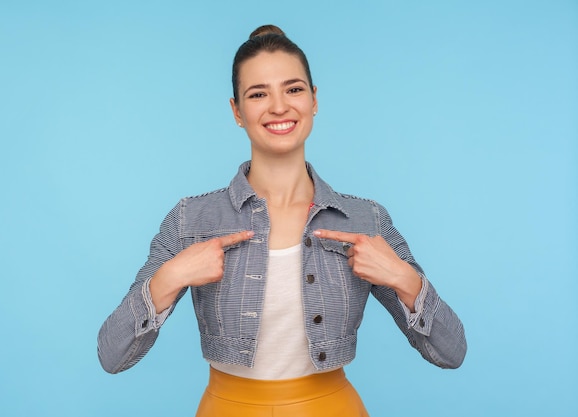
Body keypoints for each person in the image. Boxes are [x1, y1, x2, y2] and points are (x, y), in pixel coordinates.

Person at [97, 24, 467, 416]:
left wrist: (404, 279)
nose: (279, 106)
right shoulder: (191, 219)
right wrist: (170, 277)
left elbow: (451, 352)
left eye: (293, 89)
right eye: (258, 94)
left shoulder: (365, 220)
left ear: (314, 99)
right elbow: (112, 355)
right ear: (237, 111)